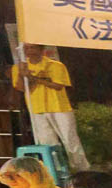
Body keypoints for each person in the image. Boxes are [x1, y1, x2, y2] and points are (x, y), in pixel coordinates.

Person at [9, 44, 89, 172]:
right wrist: (21, 74)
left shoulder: (55, 65)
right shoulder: (18, 68)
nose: (29, 51)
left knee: (70, 140)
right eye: (27, 48)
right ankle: (58, 171)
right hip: (37, 108)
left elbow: (58, 85)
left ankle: (82, 170)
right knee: (48, 143)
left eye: (33, 48)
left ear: (41, 50)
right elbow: (22, 88)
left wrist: (34, 78)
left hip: (59, 107)